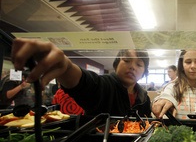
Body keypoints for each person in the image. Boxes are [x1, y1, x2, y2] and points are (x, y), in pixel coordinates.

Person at [11, 38, 152, 117]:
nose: (132, 66)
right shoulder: (105, 85)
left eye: (139, 64)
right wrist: (65, 67)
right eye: (126, 60)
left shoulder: (143, 97)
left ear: (144, 72)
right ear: (116, 65)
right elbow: (85, 82)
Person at [152, 49, 196, 120]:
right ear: (182, 65)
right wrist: (162, 100)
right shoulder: (172, 87)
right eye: (188, 62)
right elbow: (165, 96)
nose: (193, 66)